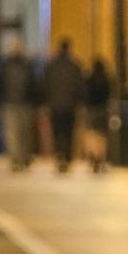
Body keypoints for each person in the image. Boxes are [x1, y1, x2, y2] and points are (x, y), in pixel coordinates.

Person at [0, 37, 39, 170]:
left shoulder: (6, 65)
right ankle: (22, 157)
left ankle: (16, 158)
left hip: (11, 102)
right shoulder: (27, 65)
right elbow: (33, 85)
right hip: (23, 103)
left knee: (13, 132)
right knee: (24, 132)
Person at [43, 38, 86, 173]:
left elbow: (45, 86)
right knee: (68, 132)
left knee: (57, 132)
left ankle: (59, 155)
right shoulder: (75, 66)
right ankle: (67, 157)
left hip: (55, 106)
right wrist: (79, 103)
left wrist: (47, 103)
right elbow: (80, 87)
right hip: (70, 106)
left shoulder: (51, 66)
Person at [85, 57, 113, 171]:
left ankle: (93, 154)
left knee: (92, 132)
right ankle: (101, 156)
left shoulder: (89, 79)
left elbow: (86, 94)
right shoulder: (106, 79)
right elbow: (109, 94)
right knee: (102, 134)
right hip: (103, 109)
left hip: (92, 109)